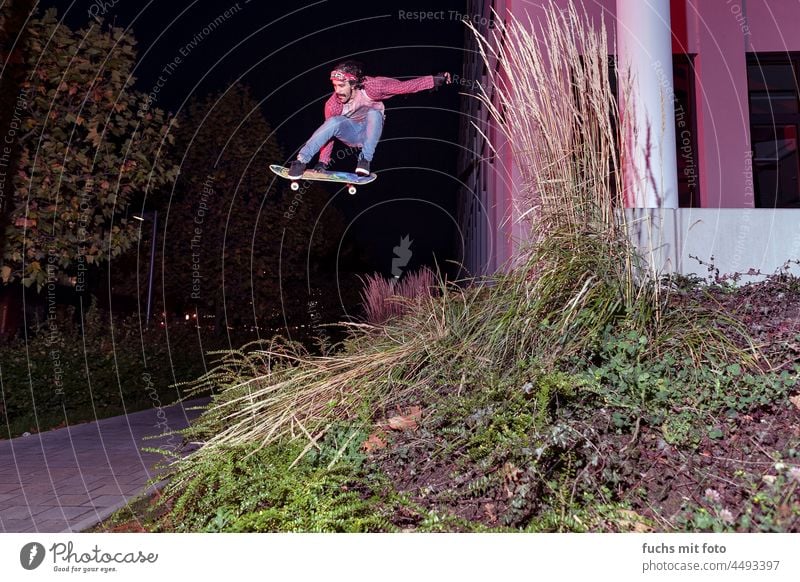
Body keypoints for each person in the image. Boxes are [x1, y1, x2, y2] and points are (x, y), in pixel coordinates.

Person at [287, 60, 452, 178]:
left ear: (353, 84)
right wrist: (323, 162)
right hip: (352, 134)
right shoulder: (333, 105)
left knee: (374, 112)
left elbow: (403, 87)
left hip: (371, 131)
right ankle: (301, 161)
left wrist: (433, 80)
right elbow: (327, 135)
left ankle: (364, 160)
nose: (338, 91)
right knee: (333, 122)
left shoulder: (372, 87)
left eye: (342, 86)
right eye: (335, 86)